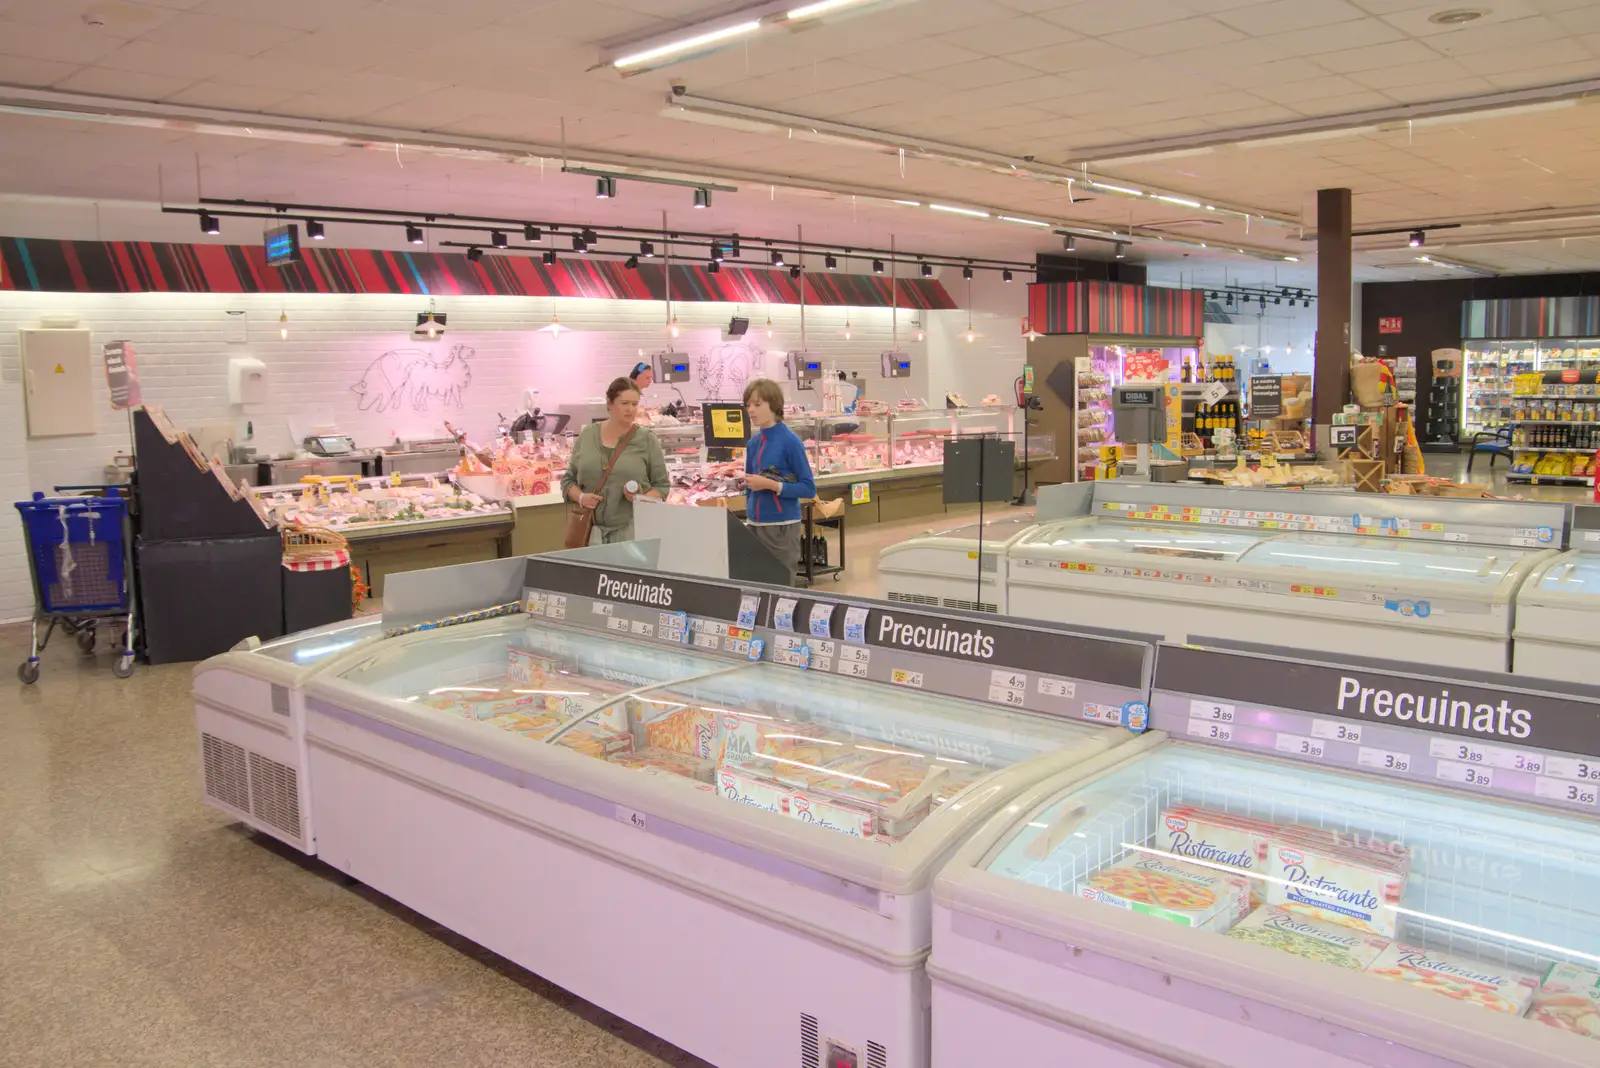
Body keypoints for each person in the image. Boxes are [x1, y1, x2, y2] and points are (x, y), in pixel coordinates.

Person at [561, 377, 670, 544]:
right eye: (624, 403)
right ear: (610, 404)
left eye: (635, 404)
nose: (630, 409)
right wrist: (581, 497)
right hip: (590, 534)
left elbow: (662, 486)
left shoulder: (647, 439)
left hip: (631, 532)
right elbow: (568, 480)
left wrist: (640, 499)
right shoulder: (587, 435)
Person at [740, 377, 816, 581]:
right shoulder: (753, 443)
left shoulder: (790, 442)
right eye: (748, 405)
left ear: (773, 405)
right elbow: (750, 482)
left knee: (780, 586)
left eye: (757, 404)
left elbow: (809, 488)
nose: (751, 410)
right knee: (758, 588)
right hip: (755, 525)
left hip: (781, 527)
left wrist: (772, 485)